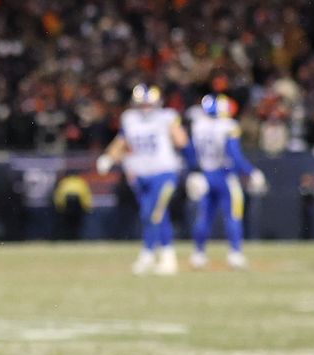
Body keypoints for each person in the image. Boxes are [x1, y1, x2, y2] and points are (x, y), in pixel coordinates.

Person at [96, 84, 188, 274]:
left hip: (164, 172)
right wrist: (108, 157)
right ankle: (157, 255)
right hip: (139, 174)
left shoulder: (167, 117)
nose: (145, 107)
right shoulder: (129, 119)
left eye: (149, 103)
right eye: (142, 104)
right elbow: (121, 142)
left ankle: (159, 256)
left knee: (155, 212)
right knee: (149, 214)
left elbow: (182, 141)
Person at [183, 93, 265, 270]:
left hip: (204, 175)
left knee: (203, 216)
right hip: (224, 175)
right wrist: (251, 171)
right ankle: (235, 254)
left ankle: (199, 254)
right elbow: (234, 155)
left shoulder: (198, 125)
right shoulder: (227, 126)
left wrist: (193, 172)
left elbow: (189, 151)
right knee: (233, 215)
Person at [51, 172, 90, 241]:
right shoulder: (80, 182)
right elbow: (86, 195)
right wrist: (87, 207)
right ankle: (76, 239)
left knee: (66, 226)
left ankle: (67, 238)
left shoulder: (65, 182)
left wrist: (59, 207)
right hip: (78, 208)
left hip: (67, 208)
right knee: (77, 226)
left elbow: (59, 195)